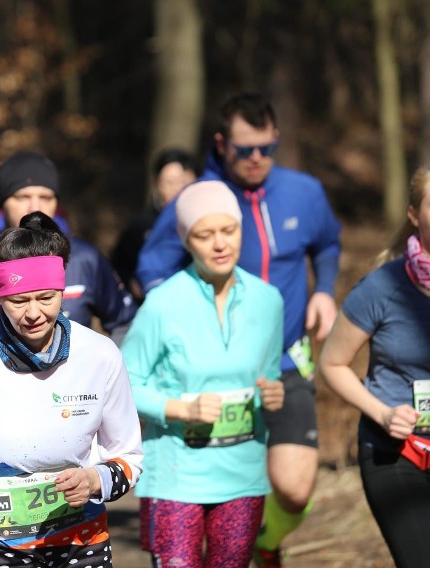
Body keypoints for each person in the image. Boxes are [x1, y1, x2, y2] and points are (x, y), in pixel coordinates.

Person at [135, 92, 341, 566]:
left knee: (293, 487)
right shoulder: (200, 199)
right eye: (244, 150)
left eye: (265, 149)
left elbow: (328, 242)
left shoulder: (304, 192)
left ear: (277, 140)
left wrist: (325, 289)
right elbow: (152, 263)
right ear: (222, 144)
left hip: (282, 361)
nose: (255, 159)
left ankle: (267, 541)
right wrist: (188, 319)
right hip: (207, 378)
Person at [0, 211, 143, 566]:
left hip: (81, 542)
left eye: (47, 298)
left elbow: (129, 457)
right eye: (19, 301)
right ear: (0, 297)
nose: (34, 313)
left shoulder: (99, 356)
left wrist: (95, 480)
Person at [121, 181, 284, 567]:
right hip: (177, 477)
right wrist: (180, 409)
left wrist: (272, 394)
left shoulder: (268, 301)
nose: (220, 244)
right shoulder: (162, 304)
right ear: (186, 240)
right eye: (204, 234)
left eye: (228, 230)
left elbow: (269, 376)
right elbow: (124, 384)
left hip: (242, 475)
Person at [318, 162, 430, 568]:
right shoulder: (382, 288)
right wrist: (382, 413)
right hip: (397, 455)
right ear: (415, 216)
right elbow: (332, 364)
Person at [0, 150, 137, 340]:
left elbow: (125, 323)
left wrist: (104, 365)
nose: (35, 207)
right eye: (23, 197)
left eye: (46, 197)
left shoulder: (84, 258)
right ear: (2, 203)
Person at [110, 148, 197, 301]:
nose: (177, 189)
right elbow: (119, 265)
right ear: (157, 184)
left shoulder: (206, 222)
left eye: (183, 182)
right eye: (169, 182)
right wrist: (132, 283)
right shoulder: (140, 226)